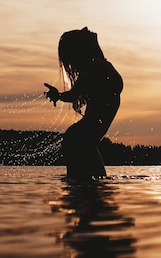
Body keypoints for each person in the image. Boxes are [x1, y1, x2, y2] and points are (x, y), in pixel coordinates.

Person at [44, 27, 123, 178]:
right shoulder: (95, 66)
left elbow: (74, 94)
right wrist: (59, 95)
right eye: (83, 33)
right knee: (89, 179)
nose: (87, 30)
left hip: (82, 135)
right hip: (82, 135)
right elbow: (75, 94)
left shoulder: (97, 66)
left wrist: (59, 95)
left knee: (85, 179)